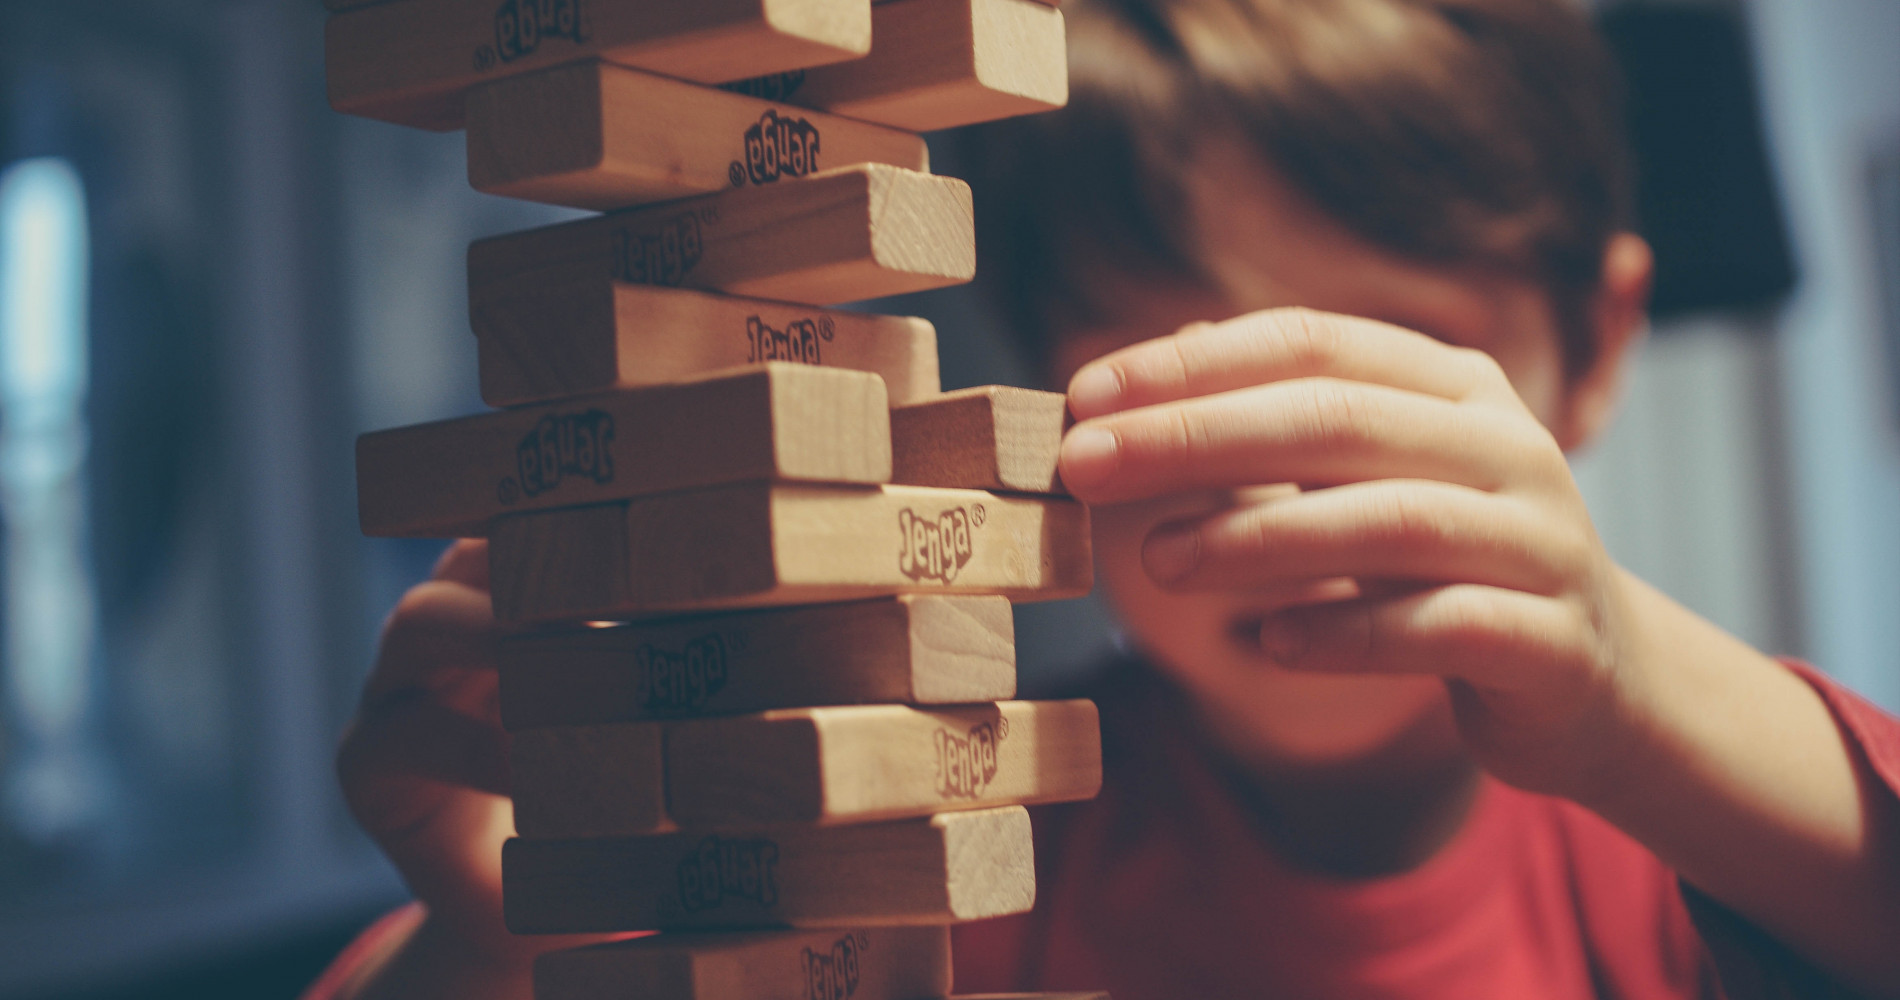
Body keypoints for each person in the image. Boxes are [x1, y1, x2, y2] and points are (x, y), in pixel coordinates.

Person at [305, 0, 1900, 997]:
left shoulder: (1697, 853)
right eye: (1170, 376)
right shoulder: (959, 843)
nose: (1281, 481)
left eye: (1388, 366)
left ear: (1597, 345)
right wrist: (515, 939)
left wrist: (1627, 693)